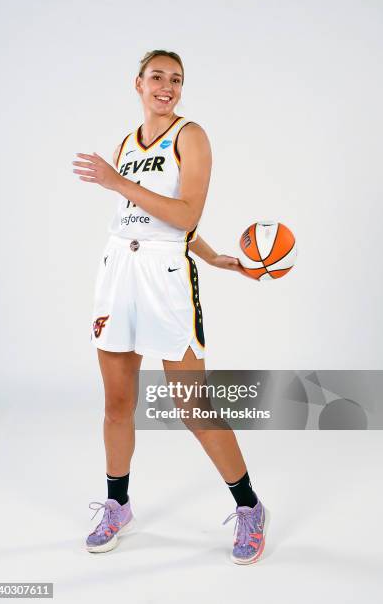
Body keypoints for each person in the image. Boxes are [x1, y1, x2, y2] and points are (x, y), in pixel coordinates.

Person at [72, 49, 269, 564]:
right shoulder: (127, 143)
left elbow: (185, 214)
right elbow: (147, 213)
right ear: (137, 83)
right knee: (117, 403)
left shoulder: (191, 135)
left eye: (176, 79)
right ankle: (118, 503)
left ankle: (249, 506)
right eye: (157, 76)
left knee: (191, 406)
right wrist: (215, 254)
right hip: (119, 274)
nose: (167, 86)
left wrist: (116, 181)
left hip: (165, 280)